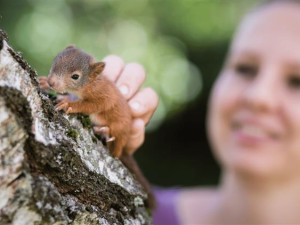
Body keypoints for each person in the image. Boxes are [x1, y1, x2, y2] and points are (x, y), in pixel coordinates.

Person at [92, 0, 300, 223]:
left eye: (296, 81)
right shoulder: (122, 214)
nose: (259, 96)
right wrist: (88, 139)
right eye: (245, 68)